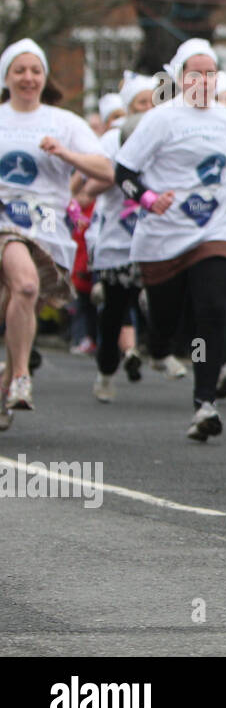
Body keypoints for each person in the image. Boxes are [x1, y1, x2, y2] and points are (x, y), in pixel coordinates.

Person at [114, 39, 226, 440]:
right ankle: (157, 340)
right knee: (167, 322)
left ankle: (204, 402)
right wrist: (147, 198)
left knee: (212, 306)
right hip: (163, 235)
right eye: (195, 73)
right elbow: (123, 172)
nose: (204, 80)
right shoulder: (161, 119)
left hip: (216, 228)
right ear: (179, 78)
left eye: (210, 73)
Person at [0, 39, 113, 427]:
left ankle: (7, 382)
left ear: (44, 77)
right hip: (3, 222)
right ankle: (20, 378)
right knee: (27, 287)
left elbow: (107, 170)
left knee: (18, 300)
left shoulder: (64, 122)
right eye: (20, 70)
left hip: (48, 229)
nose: (28, 77)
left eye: (35, 70)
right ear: (6, 77)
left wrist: (66, 154)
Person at [83, 70, 157, 401]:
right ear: (128, 107)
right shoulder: (112, 139)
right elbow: (89, 188)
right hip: (118, 240)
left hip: (157, 238)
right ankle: (106, 369)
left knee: (174, 302)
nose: (147, 107)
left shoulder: (163, 134)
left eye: (152, 101)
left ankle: (178, 357)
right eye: (140, 102)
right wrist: (125, 176)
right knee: (114, 313)